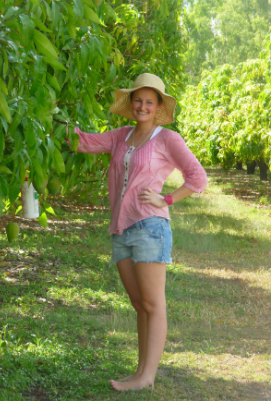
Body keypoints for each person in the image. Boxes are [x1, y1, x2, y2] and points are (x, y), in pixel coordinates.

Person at [70, 73, 207, 391]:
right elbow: (82, 142)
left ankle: (147, 376)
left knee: (153, 303)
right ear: (131, 104)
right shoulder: (121, 136)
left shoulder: (167, 139)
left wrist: (167, 198)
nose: (143, 106)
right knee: (139, 304)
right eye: (138, 100)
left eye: (149, 101)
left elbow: (197, 177)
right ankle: (139, 372)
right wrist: (54, 121)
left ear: (158, 106)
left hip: (150, 226)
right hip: (120, 228)